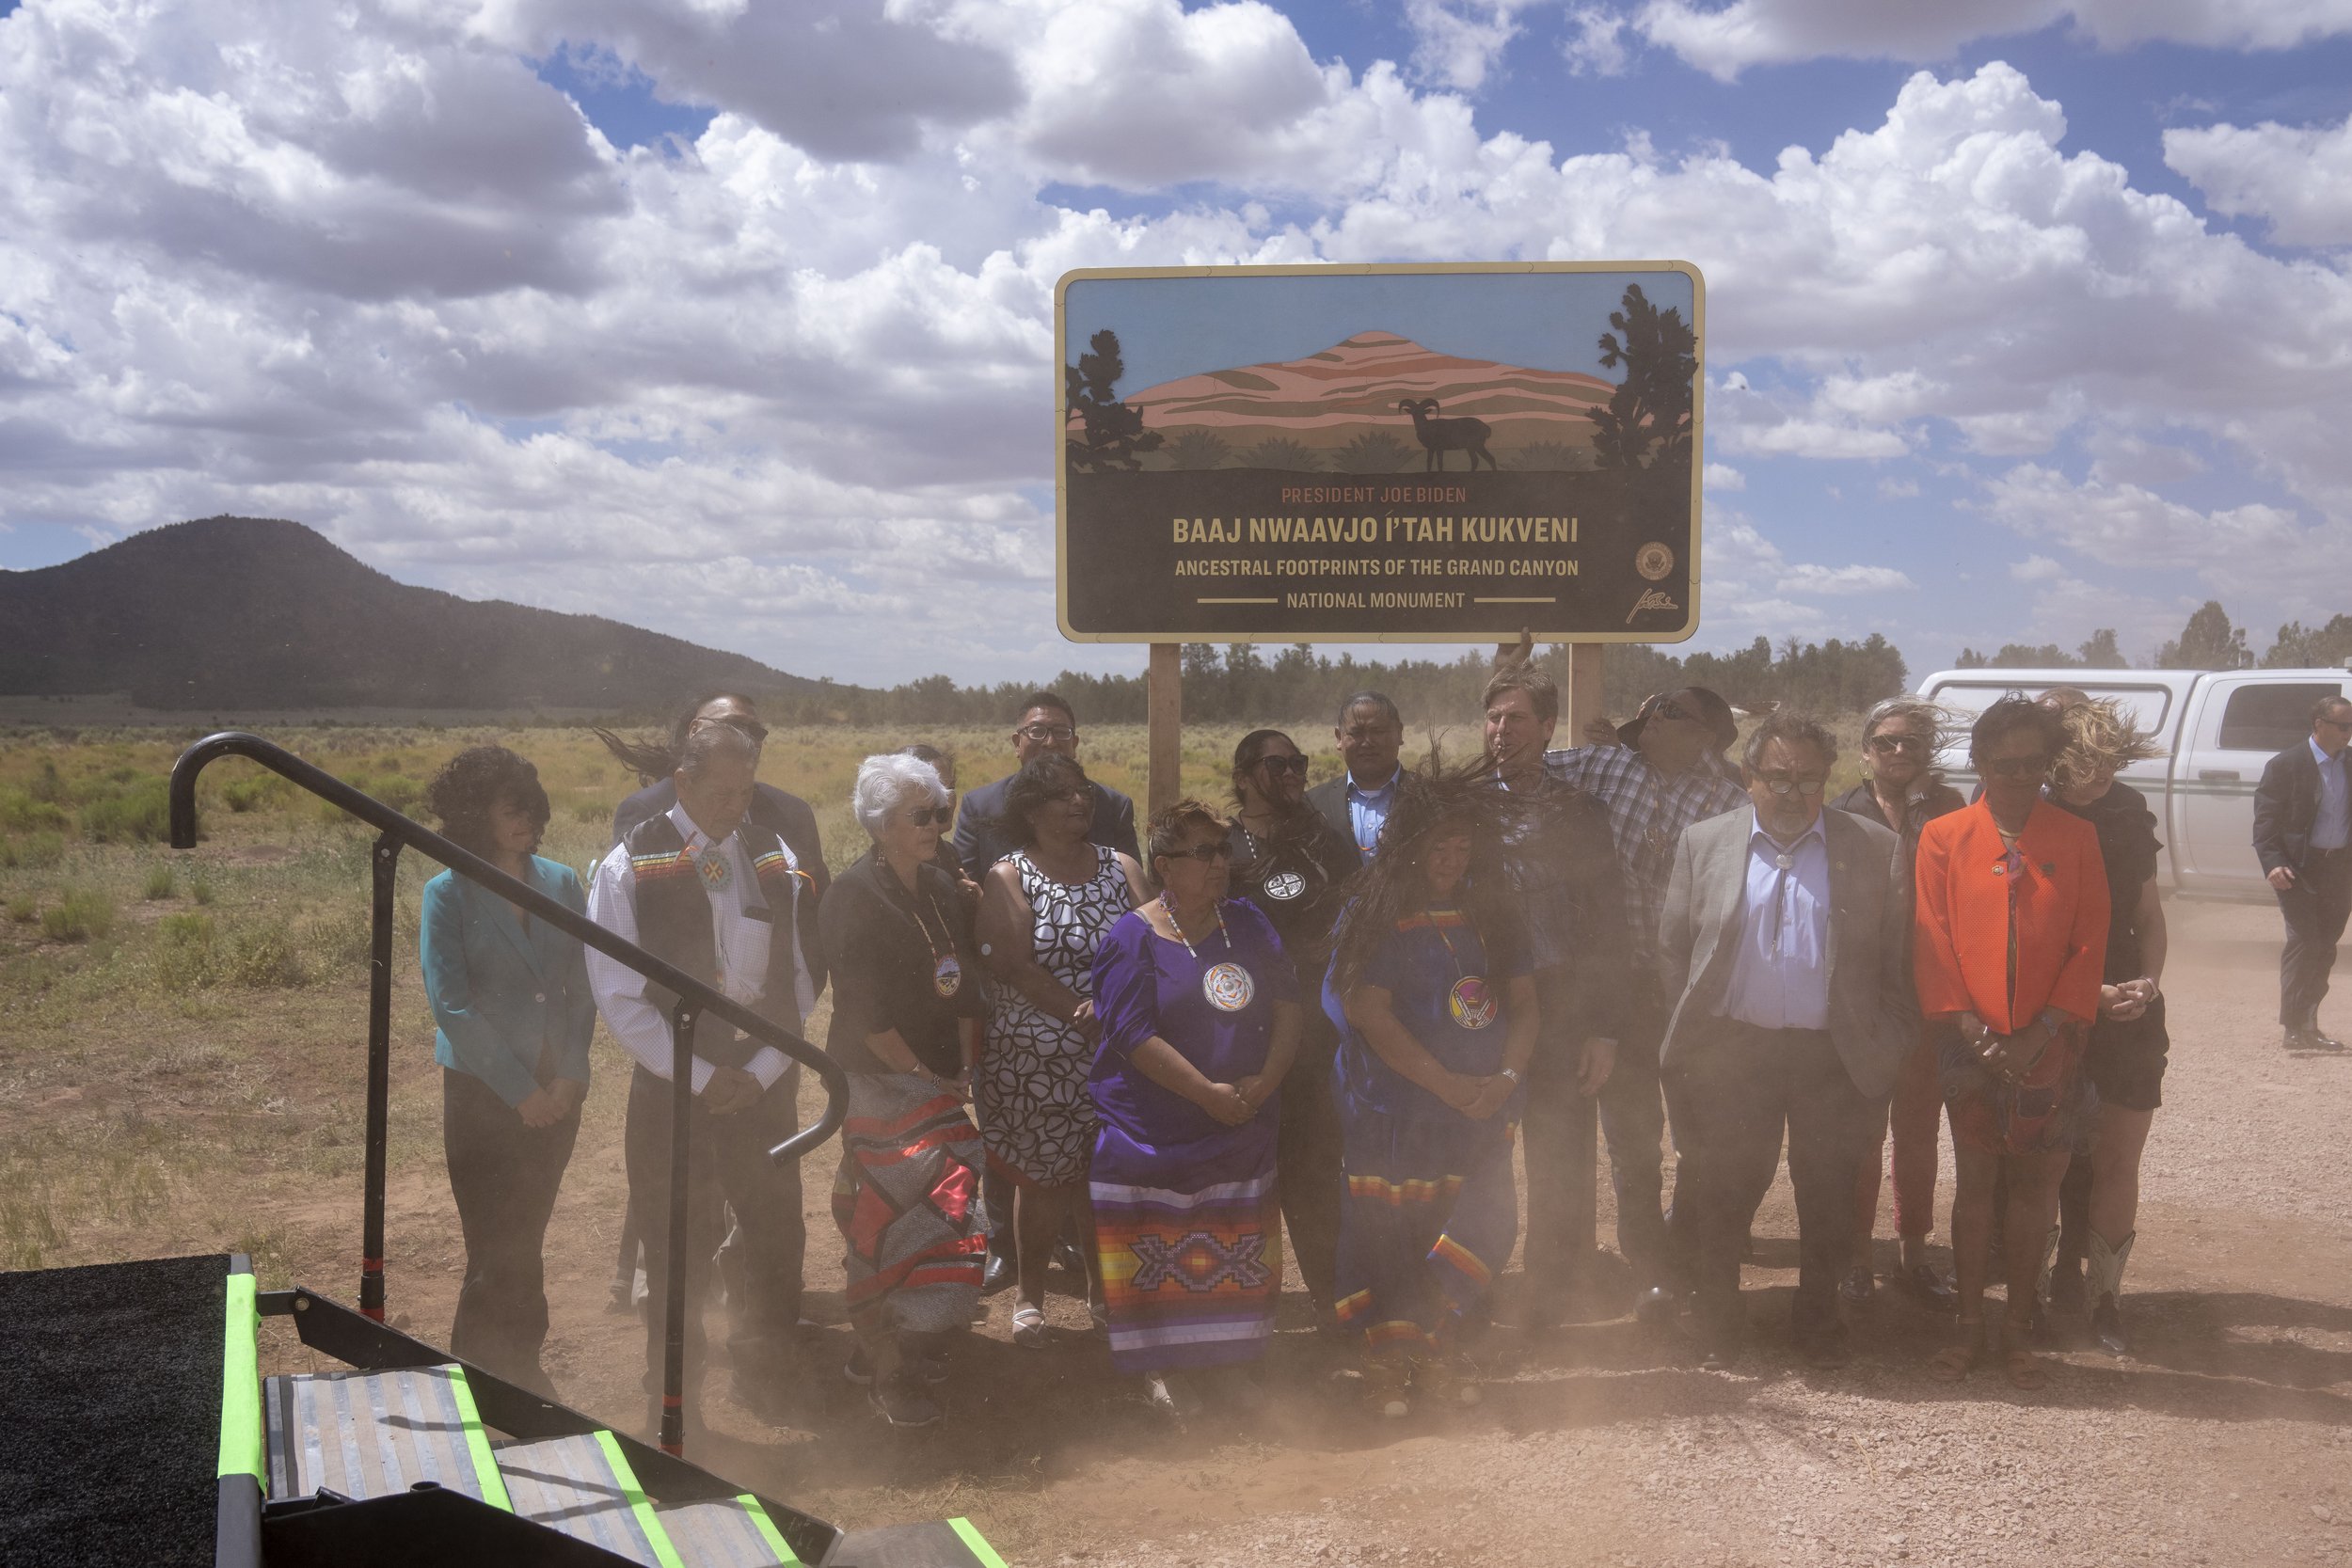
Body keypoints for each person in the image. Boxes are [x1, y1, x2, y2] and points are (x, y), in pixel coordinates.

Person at [1659, 714, 1914, 1370]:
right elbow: (1674, 949)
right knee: (1723, 1188)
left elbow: (1899, 966)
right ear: (1749, 779)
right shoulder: (1703, 842)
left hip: (1832, 1055)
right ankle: (1718, 1320)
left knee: (1827, 1194)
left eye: (1808, 777)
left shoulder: (1875, 848)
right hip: (1733, 1050)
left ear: (1828, 778)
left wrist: (1883, 1048)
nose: (1794, 791)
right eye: (1778, 777)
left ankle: (1819, 1321)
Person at [585, 723, 817, 1431]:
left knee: (776, 1232)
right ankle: (672, 1396)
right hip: (672, 1092)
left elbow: (798, 981)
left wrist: (763, 1067)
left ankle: (769, 1372)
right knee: (674, 1240)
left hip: (761, 1082)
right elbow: (620, 997)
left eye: (745, 790)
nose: (734, 805)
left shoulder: (773, 856)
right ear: (682, 782)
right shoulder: (626, 867)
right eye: (720, 791)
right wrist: (706, 1076)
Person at [1327, 765, 1538, 1418]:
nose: (1450, 860)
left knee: (1479, 1217)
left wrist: (1504, 1079)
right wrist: (1446, 1083)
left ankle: (1440, 1352)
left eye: (1461, 847)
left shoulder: (1493, 911)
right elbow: (1366, 1009)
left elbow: (1527, 1004)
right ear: (1411, 846)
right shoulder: (1377, 912)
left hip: (1480, 1105)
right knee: (1392, 1232)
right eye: (1437, 847)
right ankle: (1393, 1364)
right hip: (1396, 1111)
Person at [1914, 695, 2108, 1390]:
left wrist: (2044, 1029)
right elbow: (1932, 937)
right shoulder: (1944, 836)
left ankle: (2019, 1328)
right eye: (2005, 764)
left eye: (2032, 764)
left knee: (2035, 1191)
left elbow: (2090, 940)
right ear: (1979, 762)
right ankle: (1969, 1327)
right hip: (1971, 1044)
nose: (2020, 776)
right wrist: (1971, 1028)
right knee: (1974, 1187)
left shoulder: (2076, 837)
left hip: (2051, 1044)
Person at [1090, 800, 1302, 1416]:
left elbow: (1289, 1003)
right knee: (1158, 1252)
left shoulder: (1248, 921)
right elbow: (1132, 1037)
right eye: (1203, 852)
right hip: (1153, 1135)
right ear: (1163, 865)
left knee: (1234, 1249)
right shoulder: (1132, 937)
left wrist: (1261, 1084)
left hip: (1241, 1123)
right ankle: (1161, 1369)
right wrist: (1207, 1094)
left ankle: (1233, 1364)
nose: (1220, 863)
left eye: (1223, 849)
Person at [1542, 685, 1747, 1319]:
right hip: (1618, 984)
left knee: (1699, 1132)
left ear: (1706, 737)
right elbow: (1521, 773)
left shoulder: (1729, 798)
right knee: (1633, 1140)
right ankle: (1650, 1268)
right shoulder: (1602, 765)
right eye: (1652, 713)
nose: (1651, 722)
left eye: (1669, 715)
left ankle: (1688, 1250)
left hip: (1691, 988)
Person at [418, 746, 596, 1393]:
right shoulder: (447, 892)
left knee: (528, 1233)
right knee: (494, 1244)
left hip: (557, 1091)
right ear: (474, 815)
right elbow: (452, 1006)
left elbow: (583, 986)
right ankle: (480, 1377)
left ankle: (523, 1368)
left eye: (529, 803)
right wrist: (523, 1093)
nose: (525, 816)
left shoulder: (563, 882)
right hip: (483, 1095)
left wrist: (571, 1074)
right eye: (507, 806)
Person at [819, 753, 989, 1429]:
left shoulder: (944, 885)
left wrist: (965, 1067)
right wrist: (926, 1077)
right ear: (883, 824)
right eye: (922, 815)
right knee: (884, 1221)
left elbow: (966, 984)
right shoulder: (851, 896)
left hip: (941, 1083)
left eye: (941, 812)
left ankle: (910, 1339)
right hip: (880, 1082)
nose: (937, 825)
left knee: (943, 1214)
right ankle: (885, 1366)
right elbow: (864, 1013)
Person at [975, 752, 1150, 1348]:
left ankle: (1107, 1292)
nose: (1081, 802)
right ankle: (1029, 1295)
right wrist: (1081, 1012)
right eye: (1064, 794)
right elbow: (1016, 966)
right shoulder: (1010, 876)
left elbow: (1153, 943)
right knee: (1044, 1181)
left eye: (1085, 793)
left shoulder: (1121, 866)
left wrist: (1112, 1012)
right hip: (1038, 1055)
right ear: (1032, 809)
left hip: (1117, 1049)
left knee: (1104, 1176)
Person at [1480, 666, 1630, 1328]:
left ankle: (1551, 1299)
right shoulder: (1460, 809)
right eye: (1494, 718)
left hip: (1565, 1005)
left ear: (1547, 729)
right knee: (1472, 1153)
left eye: (1516, 719)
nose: (1502, 730)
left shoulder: (1580, 812)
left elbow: (1606, 922)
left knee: (1561, 1155)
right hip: (1477, 1008)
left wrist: (1605, 1027)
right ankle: (1467, 1293)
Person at [1829, 696, 1966, 1310]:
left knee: (1918, 1132)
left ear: (1927, 751)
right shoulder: (1840, 814)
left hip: (1930, 996)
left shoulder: (1951, 809)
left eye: (1912, 742)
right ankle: (1857, 1258)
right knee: (1858, 1132)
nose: (1899, 751)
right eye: (1887, 741)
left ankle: (1914, 1255)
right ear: (1866, 750)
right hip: (1863, 998)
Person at [2044, 698, 2169, 1354]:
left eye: (2108, 764)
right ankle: (2037, 1291)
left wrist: (2149, 983)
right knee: (2047, 1154)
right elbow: (2020, 934)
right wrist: (2084, 993)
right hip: (2050, 1003)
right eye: (2086, 764)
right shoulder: (2027, 811)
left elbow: (2149, 915)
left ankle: (2106, 1299)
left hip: (2128, 1005)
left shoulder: (2126, 809)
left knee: (2120, 1156)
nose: (2099, 776)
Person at [1226, 729, 1356, 1321]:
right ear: (1246, 773)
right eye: (1279, 764)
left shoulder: (1323, 842)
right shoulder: (1220, 848)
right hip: (1239, 1036)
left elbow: (1357, 916)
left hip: (1317, 1036)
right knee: (1245, 1174)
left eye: (1300, 763)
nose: (1294, 773)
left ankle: (1333, 1303)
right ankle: (1250, 1309)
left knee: (1314, 1168)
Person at [953, 690, 1141, 879]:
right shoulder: (980, 806)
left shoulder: (1112, 806)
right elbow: (965, 887)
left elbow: (1132, 889)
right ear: (1017, 743)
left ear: (1074, 744)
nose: (1050, 742)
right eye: (1036, 731)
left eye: (1061, 732)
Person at [2254, 692, 2352, 1052]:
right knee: (2304, 942)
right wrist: (2273, 863)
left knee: (2325, 947)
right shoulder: (2286, 765)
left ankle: (2309, 1024)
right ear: (2319, 725)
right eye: (2343, 726)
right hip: (2298, 869)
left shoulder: (2349, 763)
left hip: (2338, 869)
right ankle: (2292, 1027)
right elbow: (2265, 823)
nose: (2349, 733)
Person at [1307, 690, 1407, 873]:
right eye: (1356, 733)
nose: (1367, 742)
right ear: (1339, 738)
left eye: (1377, 731)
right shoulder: (1312, 805)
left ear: (1399, 733)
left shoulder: (1432, 797)